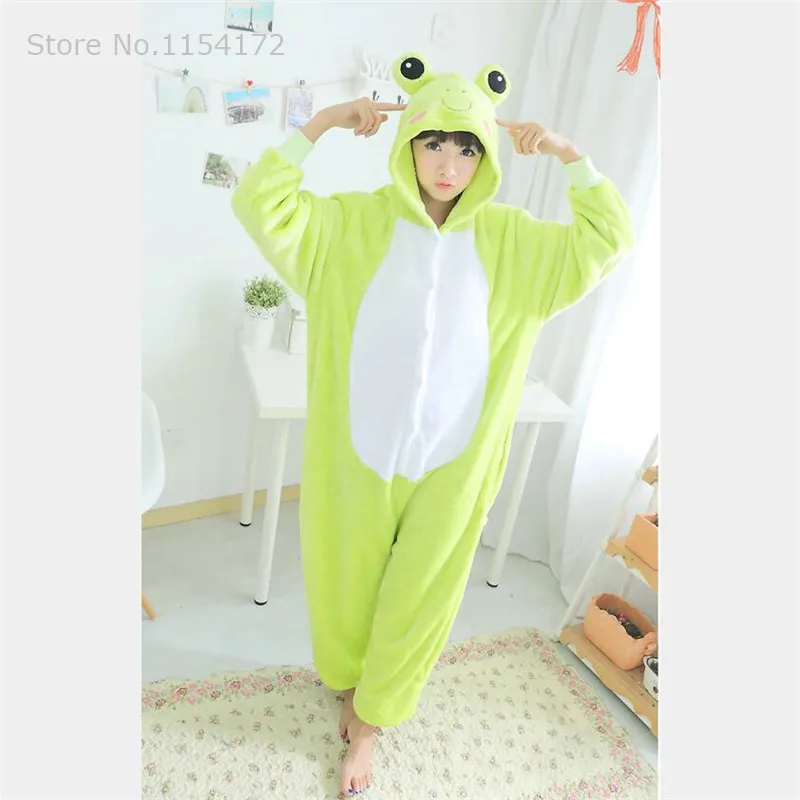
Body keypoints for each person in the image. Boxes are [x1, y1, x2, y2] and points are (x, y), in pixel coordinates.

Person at [231, 52, 635, 797]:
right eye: (433, 142)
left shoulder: (516, 242)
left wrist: (571, 157)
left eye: (467, 147)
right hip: (357, 450)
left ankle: (373, 719)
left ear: (486, 156)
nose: (448, 164)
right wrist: (321, 124)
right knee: (344, 581)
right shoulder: (347, 224)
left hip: (456, 461)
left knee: (421, 597)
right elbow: (261, 201)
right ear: (407, 143)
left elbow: (607, 239)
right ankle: (349, 682)